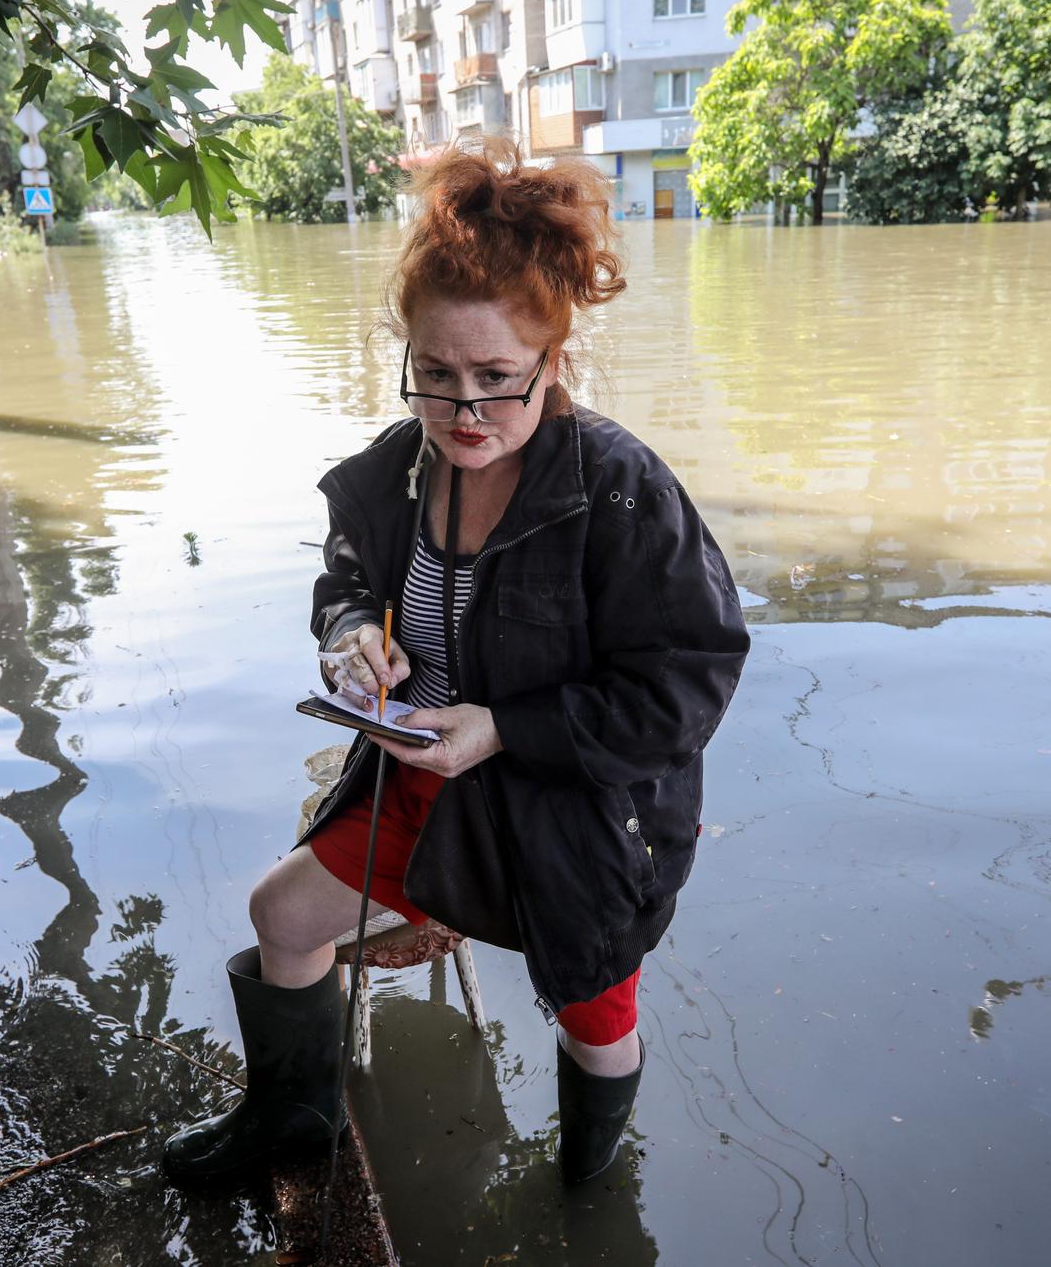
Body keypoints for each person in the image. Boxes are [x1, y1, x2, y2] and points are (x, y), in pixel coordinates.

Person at [161, 137, 749, 1191]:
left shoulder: (619, 492)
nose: (461, 414)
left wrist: (505, 727)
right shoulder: (393, 473)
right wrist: (348, 633)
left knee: (593, 1022)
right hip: (418, 776)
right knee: (281, 917)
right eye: (433, 378)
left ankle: (586, 1182)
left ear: (551, 362)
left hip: (573, 815)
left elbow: (686, 682)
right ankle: (294, 1117)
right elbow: (344, 575)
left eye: (493, 381)